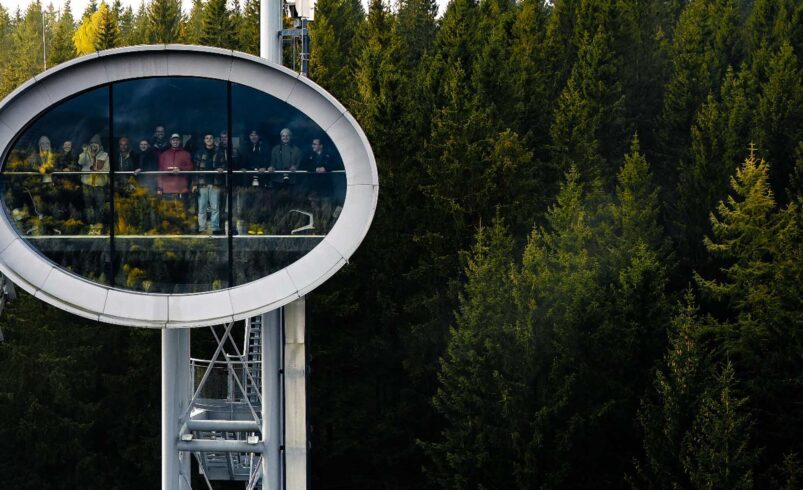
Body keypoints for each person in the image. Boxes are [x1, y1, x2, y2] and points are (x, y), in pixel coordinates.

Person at [193, 132, 226, 234]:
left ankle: (215, 228)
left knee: (215, 208)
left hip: (215, 183)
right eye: (207, 138)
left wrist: (222, 169)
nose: (209, 140)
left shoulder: (219, 152)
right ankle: (202, 228)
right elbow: (195, 169)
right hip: (202, 184)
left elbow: (224, 164)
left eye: (210, 138)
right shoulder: (199, 152)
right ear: (204, 140)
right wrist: (194, 184)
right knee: (202, 208)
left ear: (213, 139)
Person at [78, 134, 110, 228]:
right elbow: (80, 162)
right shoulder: (85, 154)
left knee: (100, 205)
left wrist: (98, 171)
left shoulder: (105, 155)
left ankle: (99, 224)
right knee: (88, 205)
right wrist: (85, 151)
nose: (94, 146)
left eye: (96, 144)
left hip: (99, 185)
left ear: (99, 145)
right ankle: (89, 224)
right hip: (87, 184)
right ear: (90, 145)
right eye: (92, 144)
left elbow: (107, 169)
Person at [158, 133, 193, 202]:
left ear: (180, 141)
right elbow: (160, 171)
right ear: (170, 141)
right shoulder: (164, 154)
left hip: (181, 189)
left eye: (177, 140)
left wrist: (180, 169)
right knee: (168, 212)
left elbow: (190, 167)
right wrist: (159, 187)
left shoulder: (186, 154)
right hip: (167, 189)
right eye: (173, 140)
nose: (175, 142)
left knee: (182, 211)